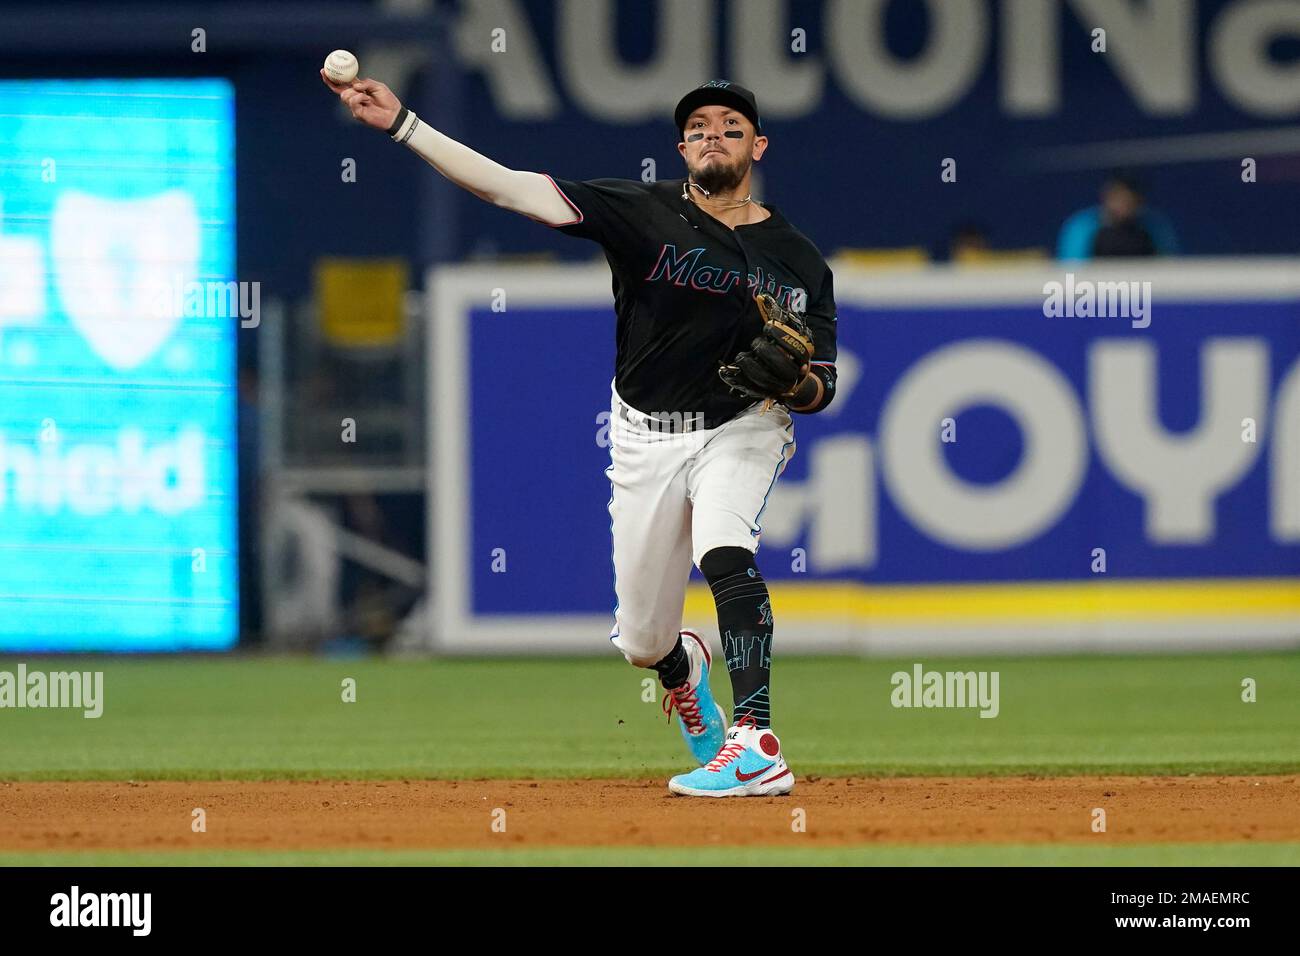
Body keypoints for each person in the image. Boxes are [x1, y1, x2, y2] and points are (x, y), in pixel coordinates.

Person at [322, 72, 838, 797]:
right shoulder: (640, 210)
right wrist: (406, 122)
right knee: (641, 643)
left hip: (741, 426)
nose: (711, 133)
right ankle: (682, 669)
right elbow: (506, 186)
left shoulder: (800, 259)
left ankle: (756, 742)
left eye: (728, 123)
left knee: (728, 550)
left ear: (757, 144)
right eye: (696, 126)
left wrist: (794, 384)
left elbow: (821, 385)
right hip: (645, 435)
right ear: (681, 148)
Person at [1056, 172, 1179, 260]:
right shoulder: (1082, 226)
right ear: (1106, 197)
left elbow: (1168, 264)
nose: (1123, 205)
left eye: (1129, 201)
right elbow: (1071, 269)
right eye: (1118, 199)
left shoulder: (1155, 227)